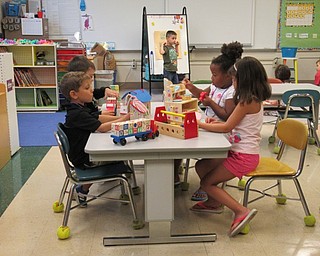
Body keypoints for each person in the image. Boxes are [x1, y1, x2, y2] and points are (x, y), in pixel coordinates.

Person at [190, 56, 271, 237]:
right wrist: (214, 121)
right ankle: (213, 202)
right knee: (202, 166)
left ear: (244, 80)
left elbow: (227, 127)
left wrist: (201, 125)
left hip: (243, 156)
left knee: (206, 183)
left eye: (234, 79)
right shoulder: (248, 99)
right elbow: (230, 124)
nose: (232, 82)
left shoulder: (246, 102)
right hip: (236, 151)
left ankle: (241, 211)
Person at [182, 41, 243, 200]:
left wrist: (211, 103)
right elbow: (202, 94)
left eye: (215, 75)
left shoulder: (231, 93)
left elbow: (227, 116)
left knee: (201, 164)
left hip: (222, 134)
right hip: (210, 128)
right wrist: (191, 87)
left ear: (229, 76)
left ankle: (209, 188)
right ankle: (207, 185)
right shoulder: (215, 86)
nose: (212, 78)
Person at [59, 71, 130, 206]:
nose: (91, 90)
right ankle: (82, 190)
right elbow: (102, 127)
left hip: (85, 152)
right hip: (85, 159)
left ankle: (83, 190)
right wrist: (124, 120)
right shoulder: (76, 114)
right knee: (119, 154)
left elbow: (98, 118)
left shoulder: (80, 107)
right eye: (87, 88)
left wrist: (121, 118)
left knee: (118, 152)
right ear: (74, 94)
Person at [67, 56, 118, 120]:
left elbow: (94, 93)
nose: (91, 80)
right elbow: (89, 117)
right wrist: (99, 114)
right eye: (90, 76)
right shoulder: (77, 107)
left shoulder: (81, 95)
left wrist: (104, 90)